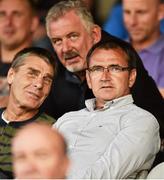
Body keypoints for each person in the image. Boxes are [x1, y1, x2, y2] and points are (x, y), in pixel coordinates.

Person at [45, 0, 164, 138]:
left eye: (73, 36)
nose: (65, 48)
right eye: (57, 41)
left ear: (94, 34)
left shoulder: (120, 56)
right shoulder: (51, 67)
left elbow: (152, 122)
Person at [54, 40, 160, 179]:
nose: (105, 77)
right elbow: (35, 161)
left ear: (131, 77)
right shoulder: (67, 118)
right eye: (97, 69)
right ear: (89, 78)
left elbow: (105, 175)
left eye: (115, 68)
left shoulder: (141, 121)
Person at [0, 47, 57, 179]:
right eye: (32, 73)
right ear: (11, 76)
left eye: (47, 79)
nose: (39, 84)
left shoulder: (52, 131)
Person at [0, 0, 39, 107]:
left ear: (33, 23)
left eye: (16, 14)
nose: (8, 22)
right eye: (2, 14)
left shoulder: (47, 70)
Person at [123, 0, 164, 97]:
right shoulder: (112, 50)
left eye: (141, 12)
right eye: (127, 12)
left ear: (160, 11)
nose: (132, 22)